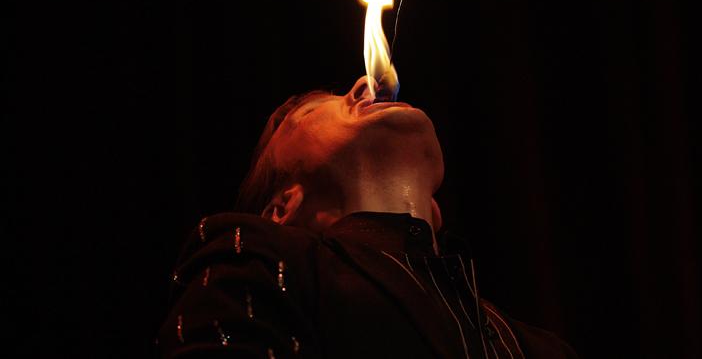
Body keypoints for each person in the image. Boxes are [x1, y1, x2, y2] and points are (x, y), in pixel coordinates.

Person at [158, 76, 578, 358]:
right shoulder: (254, 257)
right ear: (282, 209)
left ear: (435, 212)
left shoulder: (538, 348)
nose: (363, 84)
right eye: (310, 114)